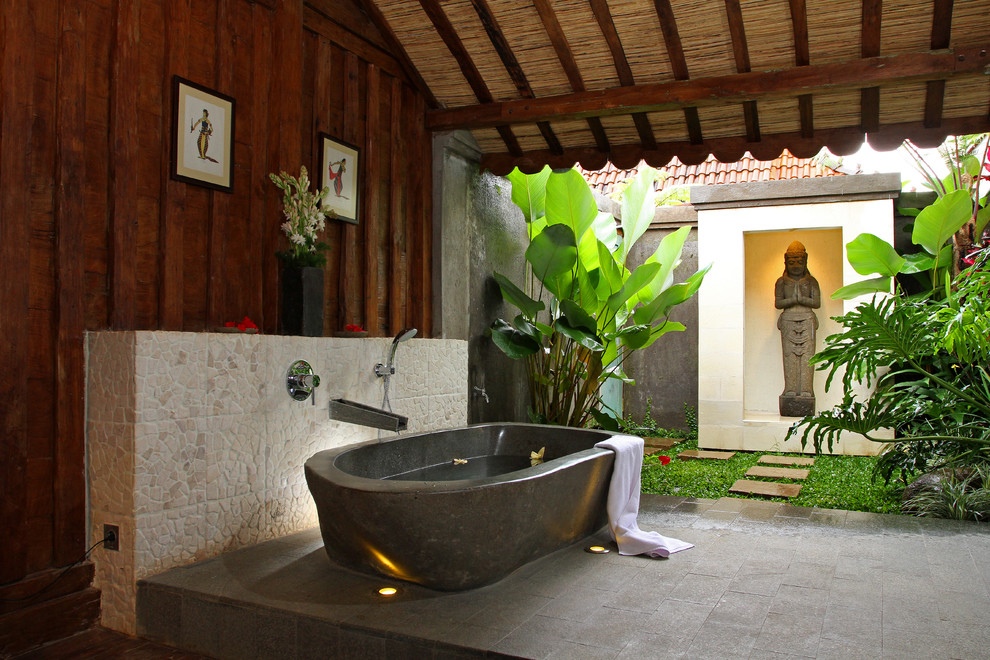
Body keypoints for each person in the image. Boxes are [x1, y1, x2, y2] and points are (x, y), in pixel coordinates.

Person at [774, 241, 820, 414]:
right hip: (788, 320)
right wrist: (794, 300)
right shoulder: (781, 282)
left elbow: (816, 302)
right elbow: (778, 303)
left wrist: (801, 299)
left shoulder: (811, 281)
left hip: (807, 319)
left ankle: (807, 391)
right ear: (785, 261)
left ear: (805, 261)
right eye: (791, 262)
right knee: (789, 356)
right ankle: (790, 390)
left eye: (799, 261)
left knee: (808, 356)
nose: (795, 266)